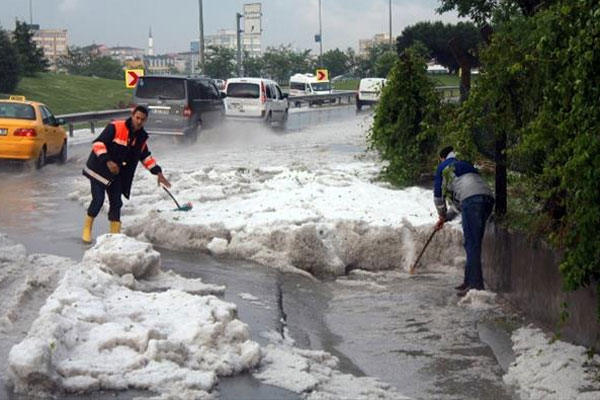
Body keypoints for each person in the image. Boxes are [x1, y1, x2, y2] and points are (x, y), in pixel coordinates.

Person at [81, 106, 171, 243]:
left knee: (116, 203)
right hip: (99, 169)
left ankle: (114, 237)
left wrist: (158, 172)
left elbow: (145, 157)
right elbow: (98, 144)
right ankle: (87, 230)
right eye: (137, 118)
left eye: (143, 119)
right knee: (98, 200)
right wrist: (108, 161)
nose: (139, 122)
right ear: (132, 116)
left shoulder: (141, 137)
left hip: (117, 174)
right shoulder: (116, 127)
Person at [433, 146, 494, 297]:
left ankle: (476, 288)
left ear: (442, 158)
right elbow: (459, 204)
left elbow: (438, 197)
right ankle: (468, 281)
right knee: (473, 243)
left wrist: (441, 214)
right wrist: (446, 218)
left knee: (471, 244)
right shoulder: (466, 165)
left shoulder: (443, 167)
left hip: (472, 201)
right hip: (487, 199)